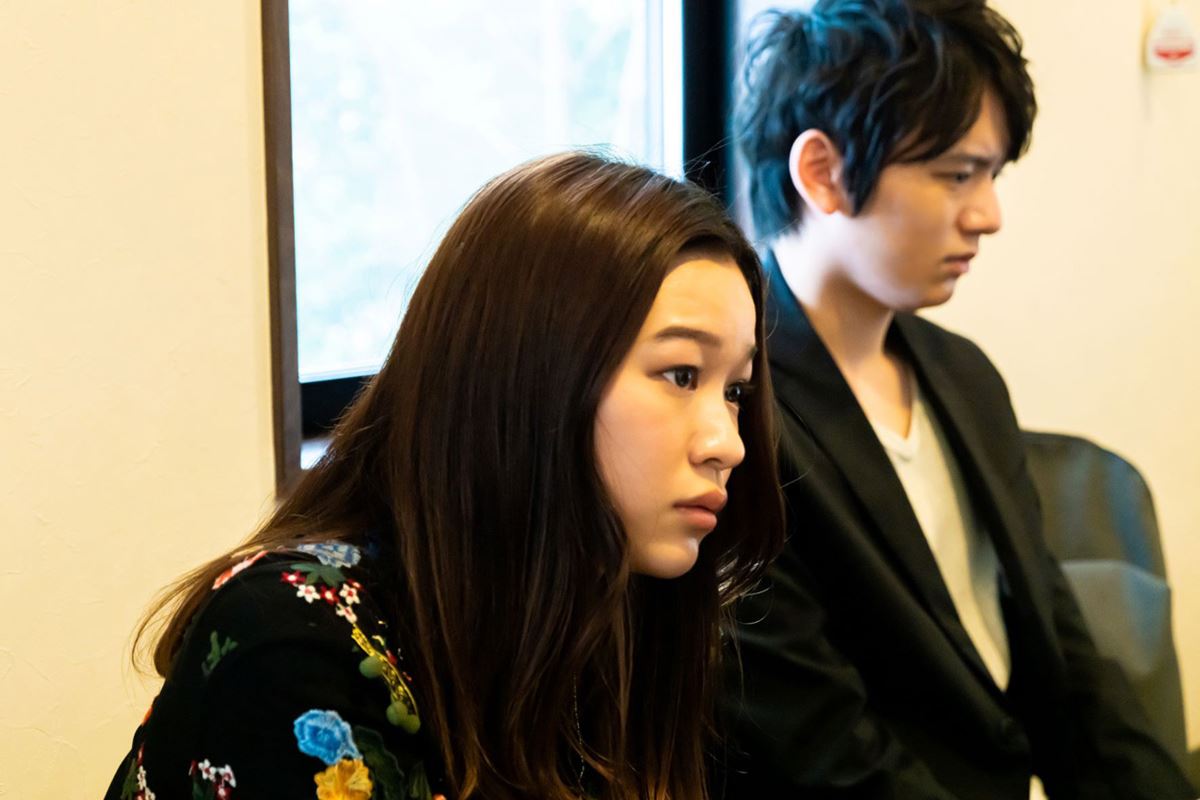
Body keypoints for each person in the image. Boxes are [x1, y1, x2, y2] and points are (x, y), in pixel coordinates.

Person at [105, 152, 785, 800]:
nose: (728, 444)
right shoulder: (297, 639)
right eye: (681, 375)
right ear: (528, 377)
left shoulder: (622, 612)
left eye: (735, 390)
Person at [720, 2, 1197, 798]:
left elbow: (1061, 654)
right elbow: (819, 745)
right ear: (822, 172)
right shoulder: (736, 415)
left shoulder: (963, 376)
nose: (988, 215)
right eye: (955, 174)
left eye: (992, 175)